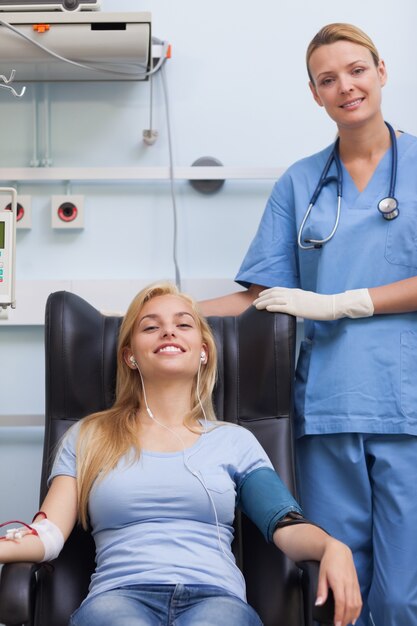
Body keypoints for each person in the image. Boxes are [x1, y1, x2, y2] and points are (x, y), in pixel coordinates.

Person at [200, 22, 417, 626]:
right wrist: (174, 312)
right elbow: (263, 296)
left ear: (381, 71)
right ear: (315, 94)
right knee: (339, 587)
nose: (345, 86)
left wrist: (342, 302)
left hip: (407, 405)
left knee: (403, 596)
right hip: (325, 405)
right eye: (328, 79)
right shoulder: (301, 182)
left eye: (356, 70)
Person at [0, 282, 361, 626]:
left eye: (183, 324)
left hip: (216, 599)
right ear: (129, 356)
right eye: (150, 327)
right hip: (119, 597)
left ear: (204, 351)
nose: (168, 332)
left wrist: (333, 547)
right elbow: (46, 535)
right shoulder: (89, 436)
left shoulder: (234, 441)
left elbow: (286, 526)